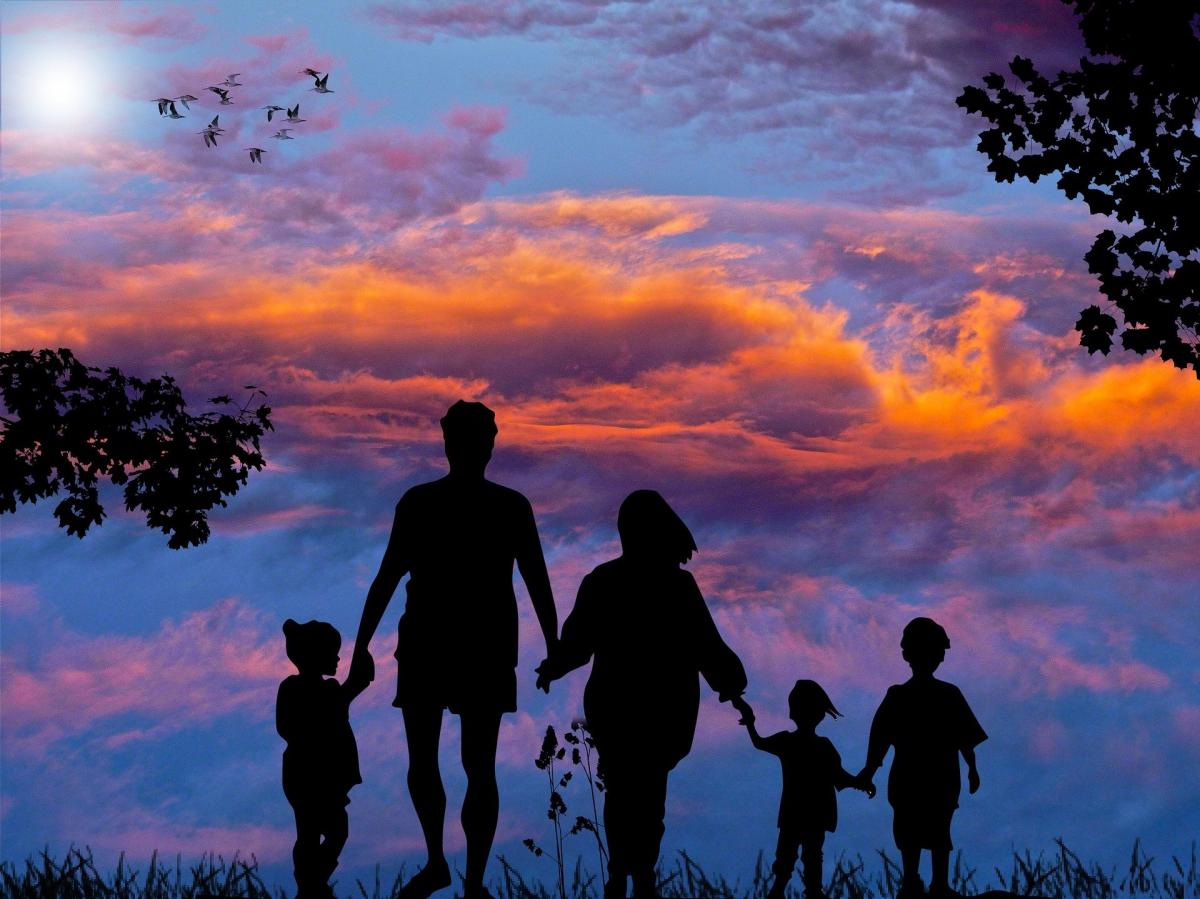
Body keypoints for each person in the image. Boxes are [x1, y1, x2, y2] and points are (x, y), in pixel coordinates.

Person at [349, 400, 559, 899]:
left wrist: (554, 645)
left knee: (468, 764)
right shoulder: (424, 503)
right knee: (441, 762)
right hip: (432, 643)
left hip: (470, 647)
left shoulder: (503, 506)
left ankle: (466, 877)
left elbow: (537, 579)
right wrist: (360, 644)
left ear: (484, 445)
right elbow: (388, 575)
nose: (467, 447)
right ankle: (448, 868)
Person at [536, 489, 747, 899]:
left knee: (624, 791)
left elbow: (578, 644)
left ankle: (624, 875)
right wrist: (731, 681)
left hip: (619, 706)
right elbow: (707, 645)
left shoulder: (604, 581)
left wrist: (555, 665)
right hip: (661, 708)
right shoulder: (676, 586)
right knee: (649, 793)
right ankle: (639, 876)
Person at [856, 617, 987, 899]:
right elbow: (880, 738)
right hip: (920, 774)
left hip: (932, 774)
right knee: (914, 830)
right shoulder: (908, 695)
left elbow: (963, 736)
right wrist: (869, 770)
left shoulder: (941, 694)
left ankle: (934, 884)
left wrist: (972, 767)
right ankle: (915, 883)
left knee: (932, 828)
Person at [731, 681, 873, 899]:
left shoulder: (793, 742)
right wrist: (861, 783)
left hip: (796, 811)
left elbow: (759, 742)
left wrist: (750, 721)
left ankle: (792, 891)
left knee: (798, 854)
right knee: (806, 854)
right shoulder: (819, 746)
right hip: (810, 812)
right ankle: (800, 891)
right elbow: (840, 776)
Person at [277, 618, 370, 899]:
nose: (338, 658)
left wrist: (358, 679)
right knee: (312, 831)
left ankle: (313, 882)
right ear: (314, 654)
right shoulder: (294, 688)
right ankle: (311, 884)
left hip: (323, 776)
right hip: (305, 773)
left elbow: (347, 693)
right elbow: (286, 727)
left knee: (330, 831)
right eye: (332, 652)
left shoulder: (330, 691)